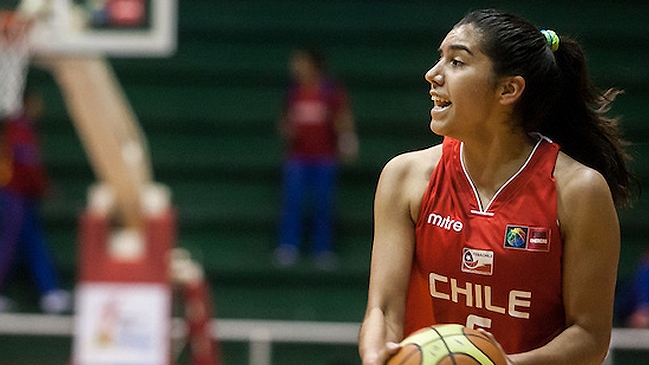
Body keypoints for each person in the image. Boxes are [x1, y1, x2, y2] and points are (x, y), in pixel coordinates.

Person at [359, 8, 634, 365]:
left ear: (509, 89)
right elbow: (382, 309)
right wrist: (374, 353)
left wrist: (495, 363)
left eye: (456, 62)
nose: (432, 74)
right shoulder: (405, 176)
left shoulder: (579, 190)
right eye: (439, 58)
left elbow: (589, 337)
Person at [274, 48, 359, 269]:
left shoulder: (329, 90)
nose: (296, 68)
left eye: (301, 63)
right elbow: (285, 119)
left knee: (323, 203)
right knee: (292, 202)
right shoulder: (293, 90)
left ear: (313, 64)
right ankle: (288, 246)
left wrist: (347, 141)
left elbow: (342, 116)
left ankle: (323, 249)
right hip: (298, 158)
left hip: (324, 158)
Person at [0, 89, 71, 314]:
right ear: (26, 102)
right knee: (7, 244)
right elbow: (26, 166)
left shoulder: (24, 127)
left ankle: (50, 291)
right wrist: (44, 187)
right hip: (12, 193)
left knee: (34, 242)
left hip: (23, 196)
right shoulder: (17, 127)